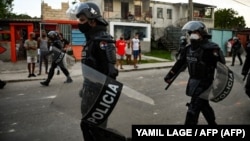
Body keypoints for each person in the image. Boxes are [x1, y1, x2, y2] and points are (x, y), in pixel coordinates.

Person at [164, 21, 226, 125]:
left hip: (205, 83)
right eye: (190, 32)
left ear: (202, 33)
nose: (192, 34)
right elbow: (180, 63)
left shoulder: (211, 49)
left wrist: (219, 84)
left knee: (193, 109)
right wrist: (169, 75)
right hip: (193, 82)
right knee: (203, 105)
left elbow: (222, 68)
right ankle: (213, 124)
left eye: (195, 32)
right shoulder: (188, 49)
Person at [75, 2, 118, 141]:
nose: (79, 23)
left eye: (82, 20)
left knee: (96, 131)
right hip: (89, 91)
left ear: (92, 22)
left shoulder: (103, 40)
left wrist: (102, 97)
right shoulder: (91, 40)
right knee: (87, 127)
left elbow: (111, 72)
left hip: (98, 94)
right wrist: (85, 88)